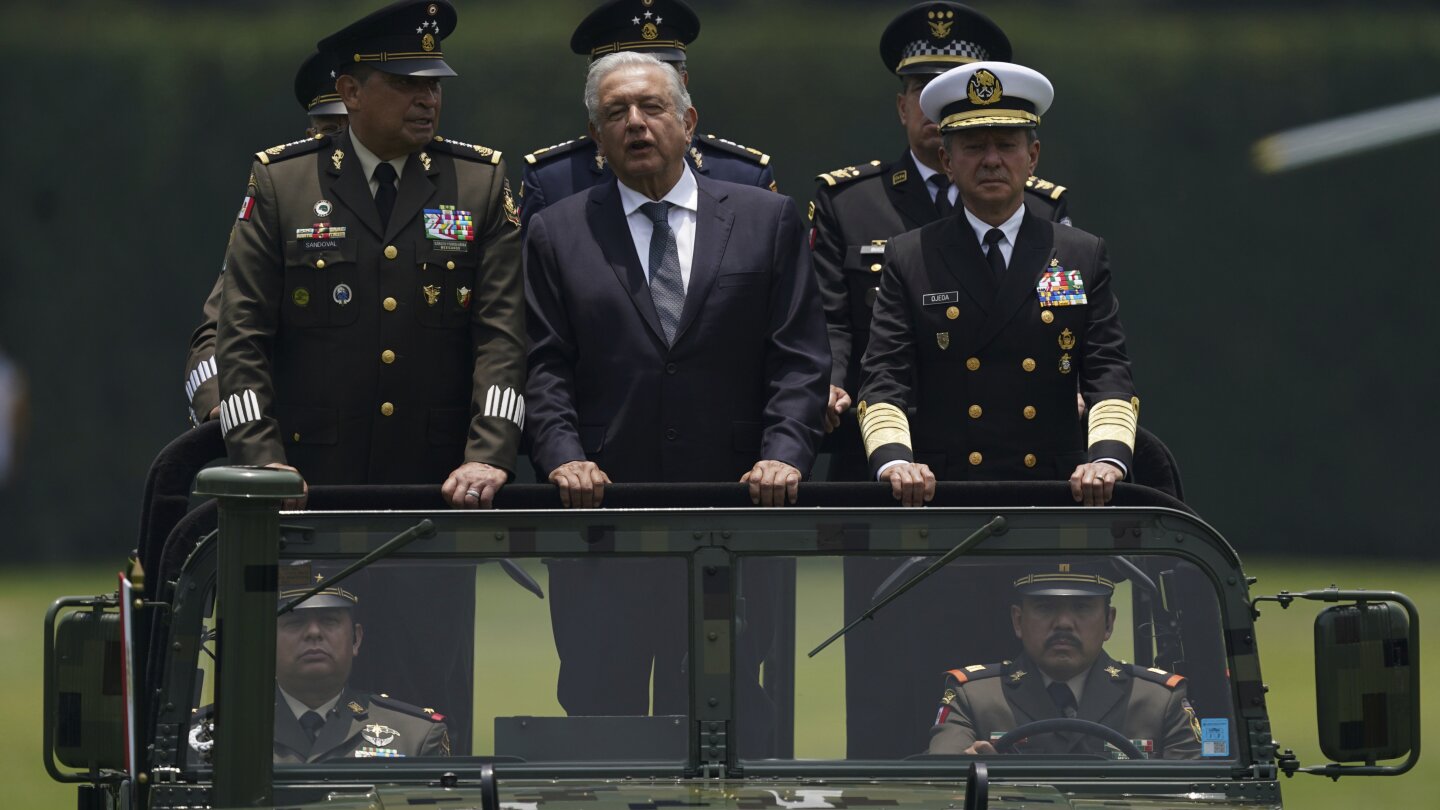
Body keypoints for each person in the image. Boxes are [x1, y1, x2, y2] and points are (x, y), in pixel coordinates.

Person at [523, 52, 828, 730]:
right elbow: (543, 366)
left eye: (652, 108)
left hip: (738, 514)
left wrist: (784, 453)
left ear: (689, 122)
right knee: (604, 720)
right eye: (615, 114)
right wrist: (561, 456)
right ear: (596, 140)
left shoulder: (767, 220)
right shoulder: (557, 232)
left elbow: (800, 360)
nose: (636, 124)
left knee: (728, 717)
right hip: (601, 525)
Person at [214, 0, 525, 510]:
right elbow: (241, 337)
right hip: (307, 482)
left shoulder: (478, 184)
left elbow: (503, 339)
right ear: (350, 93)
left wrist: (489, 453)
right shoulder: (282, 182)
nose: (427, 99)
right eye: (405, 83)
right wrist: (260, 459)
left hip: (441, 487)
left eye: (434, 84)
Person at [811, 2, 1075, 481]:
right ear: (902, 106)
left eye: (951, 87)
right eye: (922, 89)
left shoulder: (1039, 208)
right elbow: (829, 319)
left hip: (1011, 442)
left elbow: (1066, 323)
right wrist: (828, 384)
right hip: (882, 443)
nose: (939, 105)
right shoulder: (847, 202)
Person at [858, 61, 1138, 508]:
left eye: (1007, 145)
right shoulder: (910, 256)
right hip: (943, 493)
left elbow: (1107, 371)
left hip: (1056, 490)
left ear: (1033, 157)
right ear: (948, 161)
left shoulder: (1081, 253)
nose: (991, 160)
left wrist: (1106, 458)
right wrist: (895, 462)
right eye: (973, 146)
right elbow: (884, 375)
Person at [183, 50, 350, 427]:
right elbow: (221, 328)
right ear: (311, 136)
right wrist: (219, 400)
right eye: (329, 133)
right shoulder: (284, 207)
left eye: (352, 133)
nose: (340, 152)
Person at [519, 0, 776, 234]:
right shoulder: (555, 182)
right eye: (620, 81)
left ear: (683, 84)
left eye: (651, 99)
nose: (636, 120)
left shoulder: (742, 177)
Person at [927, 562, 1201, 759]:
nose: (1063, 623)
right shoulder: (974, 697)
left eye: (1082, 607)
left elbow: (1198, 796)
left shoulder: (1159, 700)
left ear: (1108, 622)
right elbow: (938, 784)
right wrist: (971, 769)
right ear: (1018, 621)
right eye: (1045, 607)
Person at [188, 566, 450, 763]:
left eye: (329, 621)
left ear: (356, 639)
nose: (313, 632)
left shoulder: (415, 734)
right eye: (294, 622)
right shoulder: (210, 735)